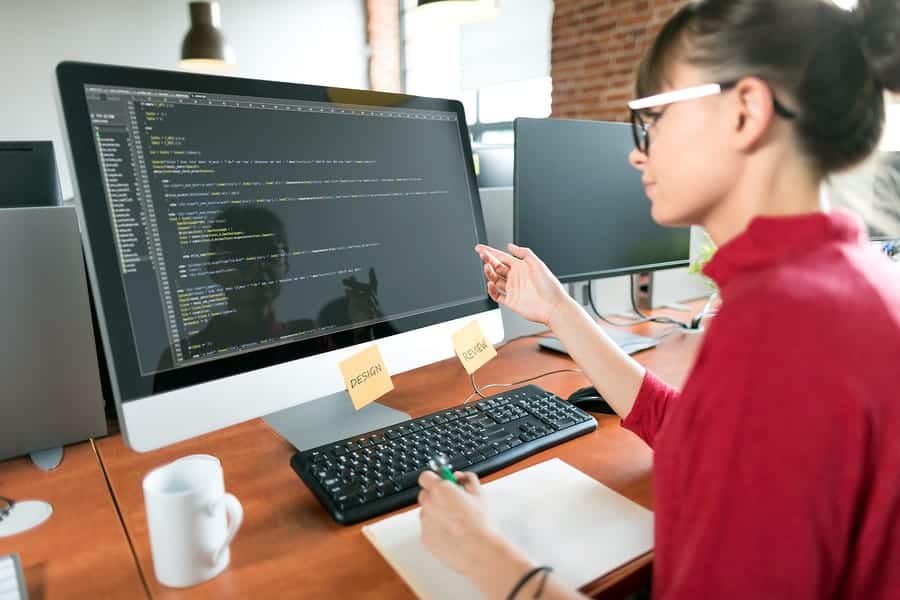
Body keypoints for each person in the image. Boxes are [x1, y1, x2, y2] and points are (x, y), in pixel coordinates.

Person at [416, 0, 900, 598]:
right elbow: (696, 438)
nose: (636, 152)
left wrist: (484, 555)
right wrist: (560, 310)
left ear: (745, 112)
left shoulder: (783, 335)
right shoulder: (840, 284)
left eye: (653, 118)